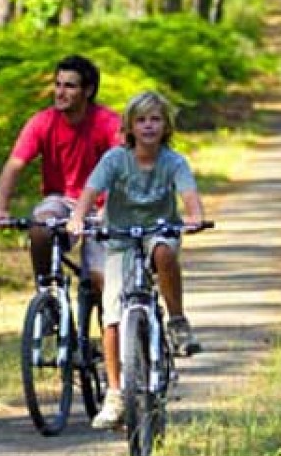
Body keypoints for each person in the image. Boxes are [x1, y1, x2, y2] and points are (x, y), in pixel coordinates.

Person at [67, 90, 204, 429]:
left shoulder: (174, 162)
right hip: (121, 239)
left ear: (166, 125)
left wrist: (195, 217)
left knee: (163, 252)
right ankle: (115, 393)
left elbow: (190, 200)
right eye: (141, 120)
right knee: (111, 315)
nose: (148, 126)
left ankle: (176, 321)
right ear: (129, 126)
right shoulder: (115, 160)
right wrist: (78, 218)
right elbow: (89, 192)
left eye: (155, 119)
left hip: (159, 231)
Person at [0, 54, 122, 311]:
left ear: (88, 91)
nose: (60, 92)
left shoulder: (107, 122)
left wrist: (112, 204)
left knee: (100, 283)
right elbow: (15, 165)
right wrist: (0, 208)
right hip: (61, 199)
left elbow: (123, 167)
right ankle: (48, 295)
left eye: (70, 86)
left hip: (103, 204)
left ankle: (107, 344)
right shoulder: (43, 121)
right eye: (58, 84)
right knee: (40, 228)